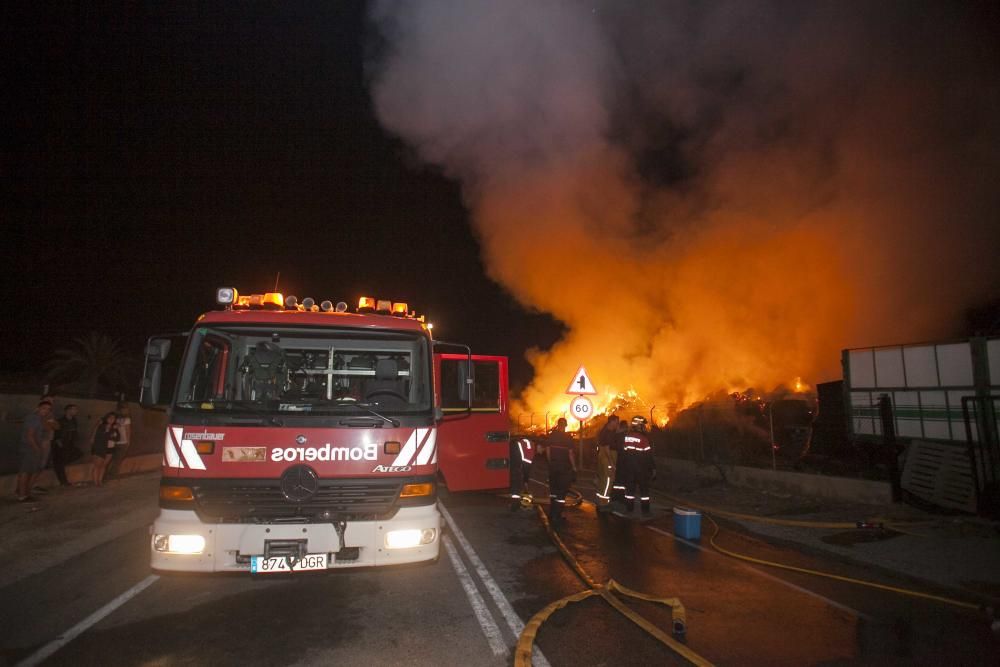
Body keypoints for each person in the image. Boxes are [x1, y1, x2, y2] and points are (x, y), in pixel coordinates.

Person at [16, 400, 54, 502]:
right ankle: (22, 496)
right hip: (29, 448)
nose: (46, 411)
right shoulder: (33, 418)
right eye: (44, 408)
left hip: (32, 447)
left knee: (29, 471)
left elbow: (52, 427)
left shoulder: (39, 419)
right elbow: (30, 436)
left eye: (48, 409)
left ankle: (24, 493)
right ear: (38, 408)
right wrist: (37, 449)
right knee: (25, 472)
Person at [621, 415, 656, 515]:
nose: (644, 427)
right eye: (643, 425)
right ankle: (645, 511)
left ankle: (629, 509)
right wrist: (653, 468)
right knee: (644, 491)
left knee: (629, 491)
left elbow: (624, 453)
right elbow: (648, 456)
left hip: (629, 469)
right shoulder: (643, 438)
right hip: (641, 469)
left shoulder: (627, 437)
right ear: (639, 426)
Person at [545, 418, 577, 528]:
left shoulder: (551, 435)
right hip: (564, 468)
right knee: (561, 492)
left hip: (553, 467)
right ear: (565, 426)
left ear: (558, 425)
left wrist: (551, 462)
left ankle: (552, 512)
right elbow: (571, 454)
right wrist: (574, 467)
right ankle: (557, 514)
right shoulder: (568, 438)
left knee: (553, 491)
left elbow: (548, 451)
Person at [594, 415, 619, 512]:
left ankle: (600, 501)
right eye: (616, 422)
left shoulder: (604, 431)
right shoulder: (608, 433)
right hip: (607, 458)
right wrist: (611, 463)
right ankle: (604, 503)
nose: (617, 424)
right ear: (612, 422)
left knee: (602, 480)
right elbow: (607, 448)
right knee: (608, 481)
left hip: (602, 457)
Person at [51, 404, 80, 487]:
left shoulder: (74, 420)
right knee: (59, 464)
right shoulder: (60, 421)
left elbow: (74, 432)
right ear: (67, 410)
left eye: (76, 409)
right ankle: (63, 482)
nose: (76, 411)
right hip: (61, 445)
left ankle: (63, 479)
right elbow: (56, 435)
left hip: (69, 444)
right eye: (74, 409)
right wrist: (60, 445)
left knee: (78, 453)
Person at [90, 412, 119, 487]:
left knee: (104, 465)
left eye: (113, 418)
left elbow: (117, 438)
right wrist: (109, 432)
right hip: (100, 447)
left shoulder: (114, 428)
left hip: (110, 448)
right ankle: (95, 482)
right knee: (97, 465)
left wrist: (114, 433)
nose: (112, 419)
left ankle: (100, 481)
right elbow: (100, 437)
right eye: (110, 417)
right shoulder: (101, 426)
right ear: (106, 418)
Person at [108, 401, 132, 479]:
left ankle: (108, 474)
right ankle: (113, 475)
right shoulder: (127, 419)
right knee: (118, 460)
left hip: (115, 441)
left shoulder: (116, 419)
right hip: (123, 442)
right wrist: (128, 442)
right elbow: (128, 431)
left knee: (112, 459)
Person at [610, 418, 629, 506]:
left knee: (616, 480)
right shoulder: (625, 436)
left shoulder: (614, 435)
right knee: (621, 481)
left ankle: (614, 496)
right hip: (623, 460)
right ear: (625, 427)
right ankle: (620, 498)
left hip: (615, 460)